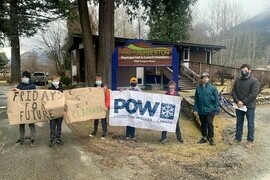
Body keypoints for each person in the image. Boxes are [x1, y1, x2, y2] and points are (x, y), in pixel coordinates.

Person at [230, 64, 259, 149]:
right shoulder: (238, 81)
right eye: (242, 71)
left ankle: (250, 140)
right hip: (239, 106)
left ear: (250, 70)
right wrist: (237, 101)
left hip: (250, 106)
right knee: (239, 122)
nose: (244, 72)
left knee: (250, 123)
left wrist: (243, 102)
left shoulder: (254, 81)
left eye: (246, 71)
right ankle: (237, 138)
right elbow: (234, 92)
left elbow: (253, 95)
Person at [194, 72, 220, 146]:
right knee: (203, 124)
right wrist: (195, 109)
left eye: (206, 77)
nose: (205, 79)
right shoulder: (198, 88)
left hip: (210, 109)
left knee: (209, 123)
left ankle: (211, 137)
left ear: (208, 78)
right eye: (203, 77)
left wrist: (216, 109)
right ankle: (204, 137)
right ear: (201, 79)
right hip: (201, 110)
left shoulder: (213, 88)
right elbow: (196, 100)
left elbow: (216, 100)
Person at [14, 71, 36, 147]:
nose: (23, 78)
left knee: (31, 124)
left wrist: (21, 91)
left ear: (28, 78)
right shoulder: (20, 85)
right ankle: (21, 138)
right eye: (23, 77)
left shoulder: (32, 85)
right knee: (21, 125)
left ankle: (33, 139)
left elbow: (31, 93)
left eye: (25, 77)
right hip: (22, 108)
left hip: (29, 108)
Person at [48, 76, 64, 147]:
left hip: (60, 111)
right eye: (54, 80)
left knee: (59, 126)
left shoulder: (63, 89)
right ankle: (52, 139)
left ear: (59, 81)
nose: (55, 82)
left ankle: (58, 138)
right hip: (52, 111)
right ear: (52, 81)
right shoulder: (49, 89)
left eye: (57, 80)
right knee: (52, 126)